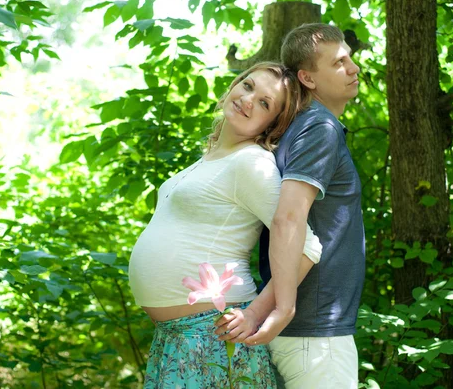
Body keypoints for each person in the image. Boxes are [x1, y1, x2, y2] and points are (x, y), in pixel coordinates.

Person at [128, 62, 323, 388]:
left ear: (272, 124)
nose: (248, 100)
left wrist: (256, 313)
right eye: (248, 86)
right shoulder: (209, 160)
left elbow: (306, 246)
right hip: (176, 339)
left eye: (264, 103)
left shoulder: (250, 163)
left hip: (214, 334)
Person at [215, 23, 366, 388]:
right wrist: (280, 309)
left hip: (303, 331)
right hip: (314, 336)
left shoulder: (297, 129)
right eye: (339, 62)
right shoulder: (318, 128)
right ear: (307, 78)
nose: (354, 68)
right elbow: (288, 218)